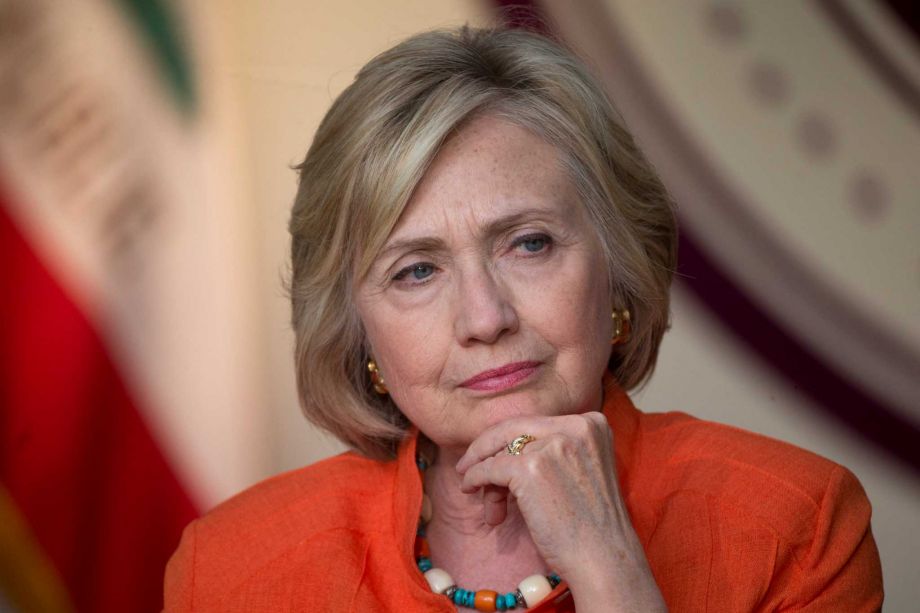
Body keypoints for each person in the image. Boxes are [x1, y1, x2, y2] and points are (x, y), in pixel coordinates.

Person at [163, 26, 883, 612]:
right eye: (417, 270)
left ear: (616, 266)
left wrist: (611, 571)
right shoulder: (230, 570)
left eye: (529, 243)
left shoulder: (796, 525)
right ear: (357, 332)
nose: (485, 317)